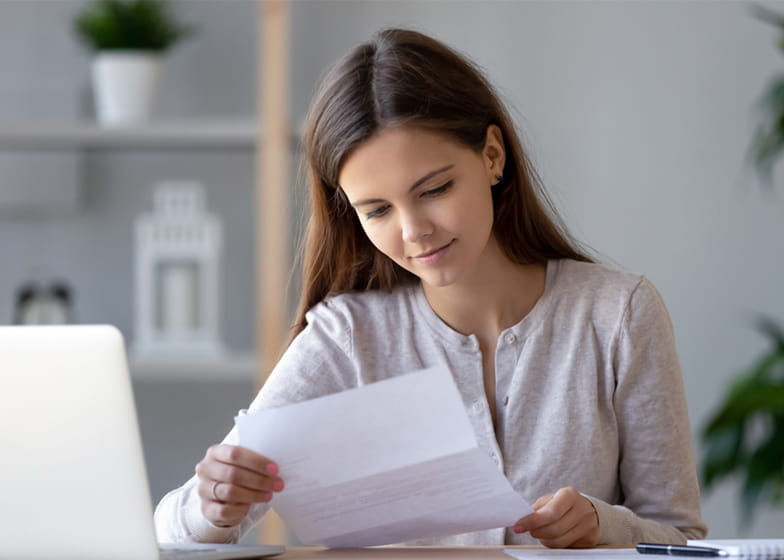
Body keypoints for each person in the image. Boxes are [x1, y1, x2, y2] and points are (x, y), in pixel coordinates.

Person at [154, 28, 707, 548]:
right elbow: (170, 529)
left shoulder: (617, 314)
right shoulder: (347, 335)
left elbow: (682, 536)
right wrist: (213, 506)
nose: (413, 230)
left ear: (493, 156)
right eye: (376, 211)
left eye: (435, 189)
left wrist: (601, 523)